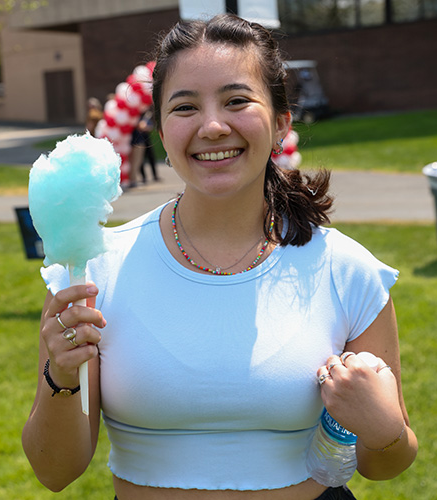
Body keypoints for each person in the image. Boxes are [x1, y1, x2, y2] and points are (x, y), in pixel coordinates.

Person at [22, 14, 417, 500]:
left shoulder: (346, 270)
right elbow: (54, 472)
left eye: (236, 101)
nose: (212, 126)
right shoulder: (92, 274)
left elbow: (387, 464)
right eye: (185, 107)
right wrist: (59, 377)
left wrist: (384, 427)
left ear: (280, 123)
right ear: (162, 134)